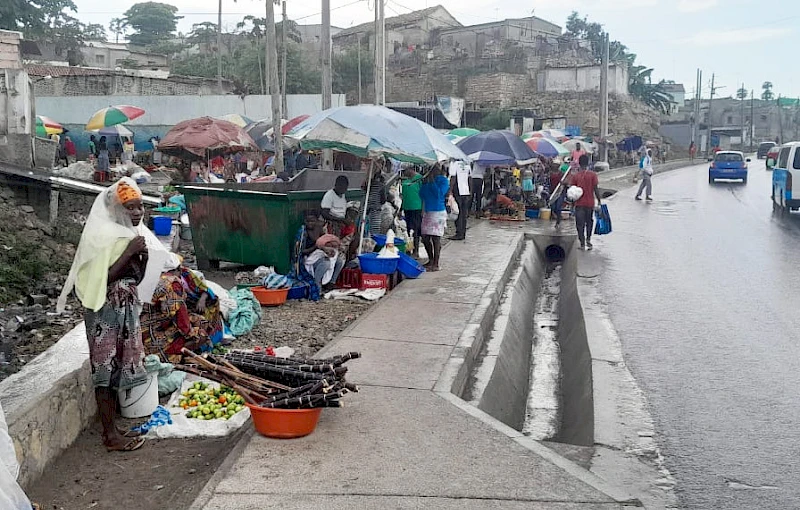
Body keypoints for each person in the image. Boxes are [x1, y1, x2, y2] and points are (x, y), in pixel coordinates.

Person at [56, 178, 150, 452]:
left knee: (120, 366)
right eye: (130, 207)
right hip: (105, 313)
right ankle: (109, 435)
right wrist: (130, 252)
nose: (136, 212)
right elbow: (98, 279)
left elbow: (135, 277)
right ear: (115, 210)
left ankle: (113, 428)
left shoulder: (128, 235)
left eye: (140, 206)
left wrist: (141, 258)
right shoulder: (101, 237)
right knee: (104, 371)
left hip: (125, 311)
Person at [140, 264, 224, 363]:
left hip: (142, 332)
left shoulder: (150, 279)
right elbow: (180, 318)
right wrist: (194, 335)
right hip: (154, 337)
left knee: (197, 320)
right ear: (177, 270)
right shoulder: (172, 283)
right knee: (201, 332)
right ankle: (176, 356)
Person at [419, 165, 449, 271]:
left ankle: (436, 263)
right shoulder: (428, 180)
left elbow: (439, 194)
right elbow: (422, 194)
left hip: (438, 212)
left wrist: (432, 182)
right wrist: (424, 183)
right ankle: (430, 259)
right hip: (428, 211)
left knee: (435, 238)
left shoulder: (444, 181)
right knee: (425, 237)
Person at [568, 155, 601, 250]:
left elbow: (572, 192)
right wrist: (599, 201)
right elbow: (596, 189)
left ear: (579, 163)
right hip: (590, 203)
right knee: (589, 222)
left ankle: (582, 243)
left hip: (579, 204)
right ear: (588, 163)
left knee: (579, 224)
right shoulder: (593, 175)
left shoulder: (576, 176)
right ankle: (588, 240)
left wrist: (572, 205)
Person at [401, 166, 423, 258]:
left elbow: (423, 194)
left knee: (416, 230)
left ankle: (416, 251)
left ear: (411, 169)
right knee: (407, 230)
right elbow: (403, 195)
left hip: (416, 208)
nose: (404, 173)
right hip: (407, 208)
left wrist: (423, 209)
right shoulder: (405, 180)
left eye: (405, 170)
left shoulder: (419, 179)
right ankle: (409, 249)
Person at [449, 159, 471, 241]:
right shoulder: (467, 164)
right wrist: (470, 191)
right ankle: (463, 233)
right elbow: (470, 178)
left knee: (457, 212)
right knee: (464, 214)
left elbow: (453, 178)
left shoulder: (454, 163)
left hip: (457, 191)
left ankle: (459, 233)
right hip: (466, 191)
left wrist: (450, 190)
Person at [364, 165, 387, 236]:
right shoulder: (380, 186)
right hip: (374, 213)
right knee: (374, 234)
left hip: (365, 211)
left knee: (364, 231)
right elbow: (383, 200)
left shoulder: (367, 184)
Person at [549, 163, 565, 228]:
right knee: (553, 207)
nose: (554, 166)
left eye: (556, 165)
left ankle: (558, 221)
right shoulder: (550, 174)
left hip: (560, 192)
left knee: (558, 207)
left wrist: (563, 183)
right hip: (552, 192)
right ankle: (558, 216)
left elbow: (566, 182)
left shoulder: (561, 174)